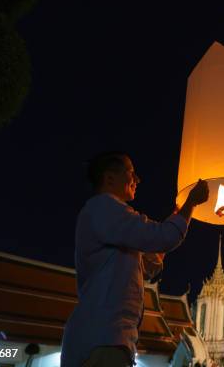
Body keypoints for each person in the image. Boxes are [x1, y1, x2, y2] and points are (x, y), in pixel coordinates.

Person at [61, 152, 209, 367]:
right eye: (131, 173)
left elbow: (151, 263)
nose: (138, 179)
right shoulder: (103, 207)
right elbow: (162, 237)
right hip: (101, 338)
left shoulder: (112, 220)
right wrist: (190, 204)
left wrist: (181, 213)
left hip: (110, 338)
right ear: (110, 178)